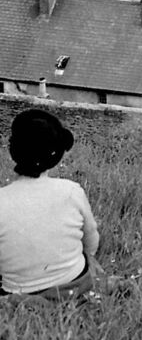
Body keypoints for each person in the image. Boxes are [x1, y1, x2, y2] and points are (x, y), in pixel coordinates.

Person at [0, 109, 99, 300]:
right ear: (56, 155)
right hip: (73, 282)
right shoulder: (72, 191)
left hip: (20, 290)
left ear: (13, 151)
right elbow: (91, 238)